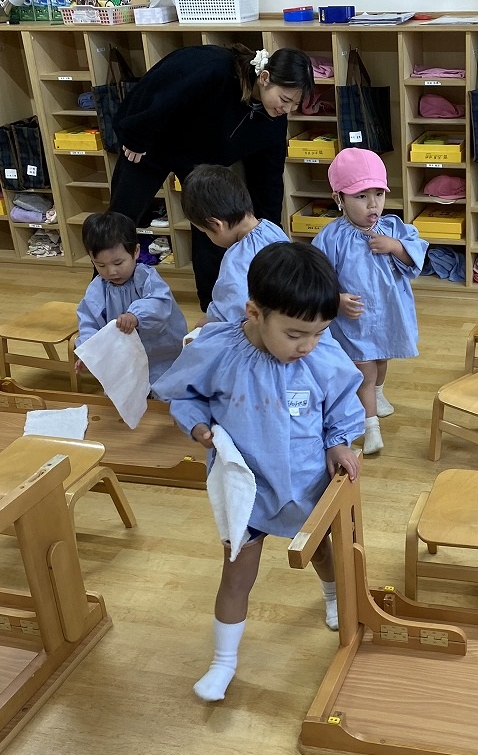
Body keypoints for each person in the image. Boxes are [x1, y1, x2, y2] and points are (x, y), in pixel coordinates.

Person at [153, 242, 364, 702]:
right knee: (236, 572)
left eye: (319, 332)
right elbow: (185, 394)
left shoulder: (320, 356)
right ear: (254, 312)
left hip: (306, 480)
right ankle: (223, 661)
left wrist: (338, 441)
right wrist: (197, 424)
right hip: (245, 488)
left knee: (321, 549)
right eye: (295, 334)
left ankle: (332, 597)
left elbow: (342, 404)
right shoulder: (218, 351)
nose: (307, 345)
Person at [109, 43, 314, 310]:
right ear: (264, 78)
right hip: (152, 144)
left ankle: (212, 307)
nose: (287, 109)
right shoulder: (215, 69)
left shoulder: (273, 120)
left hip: (200, 162)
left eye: (295, 105)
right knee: (121, 220)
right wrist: (136, 134)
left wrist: (266, 232)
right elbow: (160, 90)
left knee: (217, 224)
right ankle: (105, 298)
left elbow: (268, 180)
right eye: (285, 100)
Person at [312, 148, 427, 455]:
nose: (373, 203)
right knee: (364, 368)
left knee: (381, 359)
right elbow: (317, 276)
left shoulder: (393, 228)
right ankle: (370, 424)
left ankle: (378, 394)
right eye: (361, 196)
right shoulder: (331, 238)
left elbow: (415, 259)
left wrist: (396, 247)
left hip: (388, 313)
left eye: (378, 193)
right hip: (355, 320)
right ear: (339, 198)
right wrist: (336, 299)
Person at [75, 211, 188, 386]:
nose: (111, 271)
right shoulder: (98, 287)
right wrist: (89, 352)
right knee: (127, 388)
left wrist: (135, 316)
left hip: (161, 352)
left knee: (165, 385)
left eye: (118, 263)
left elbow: (159, 303)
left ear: (135, 251)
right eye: (100, 265)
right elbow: (89, 322)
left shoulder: (146, 277)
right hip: (124, 357)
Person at [180, 163, 289, 325]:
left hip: (260, 327)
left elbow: (230, 311)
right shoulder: (271, 228)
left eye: (205, 232)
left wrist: (208, 322)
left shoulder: (235, 259)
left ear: (217, 225)